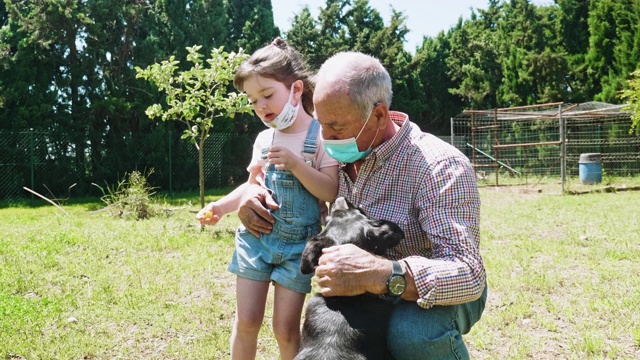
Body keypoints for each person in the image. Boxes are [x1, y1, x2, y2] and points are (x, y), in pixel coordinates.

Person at [237, 51, 487, 360]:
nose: (326, 138)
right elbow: (279, 186)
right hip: (360, 292)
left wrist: (381, 274)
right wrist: (251, 193)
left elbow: (468, 275)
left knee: (411, 330)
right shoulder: (336, 161)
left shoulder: (440, 166)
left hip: (435, 290)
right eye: (321, 125)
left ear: (379, 115)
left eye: (336, 128)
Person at [196, 38, 338, 360]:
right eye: (252, 99)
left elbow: (330, 191)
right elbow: (251, 186)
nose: (260, 106)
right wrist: (220, 207)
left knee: (285, 330)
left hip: (297, 248)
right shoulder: (264, 138)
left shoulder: (320, 137)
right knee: (246, 321)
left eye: (267, 94)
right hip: (255, 240)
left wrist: (296, 164)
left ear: (296, 90)